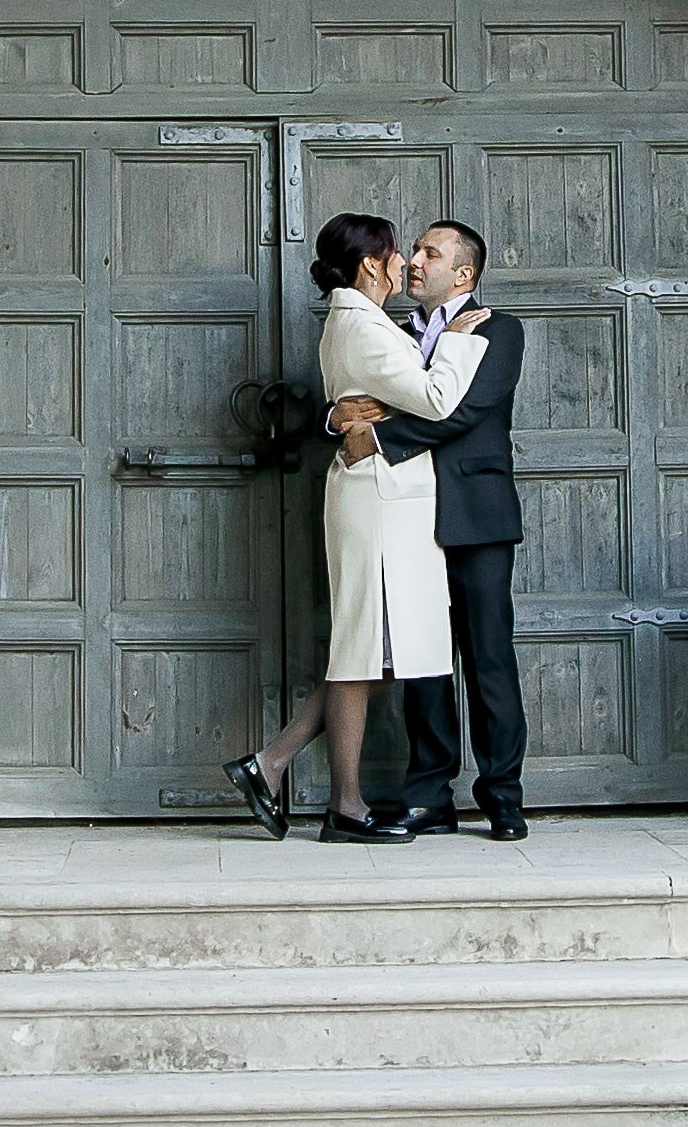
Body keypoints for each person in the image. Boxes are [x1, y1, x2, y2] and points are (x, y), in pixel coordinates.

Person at [223, 213, 488, 843]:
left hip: (386, 500)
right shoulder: (362, 325)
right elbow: (437, 400)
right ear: (371, 263)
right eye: (398, 253)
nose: (405, 263)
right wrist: (456, 340)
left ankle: (270, 764)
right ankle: (341, 805)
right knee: (360, 652)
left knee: (373, 653)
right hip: (377, 504)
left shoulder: (362, 322)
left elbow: (385, 395)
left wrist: (357, 409)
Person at [326, 217, 529, 843]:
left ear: (463, 274)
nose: (414, 259)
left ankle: (503, 797)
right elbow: (356, 389)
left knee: (488, 658)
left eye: (430, 253)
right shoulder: (390, 328)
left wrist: (376, 437)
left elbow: (461, 412)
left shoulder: (498, 329)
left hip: (475, 516)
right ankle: (429, 797)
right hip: (405, 515)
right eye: (413, 249)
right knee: (422, 663)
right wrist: (336, 417)